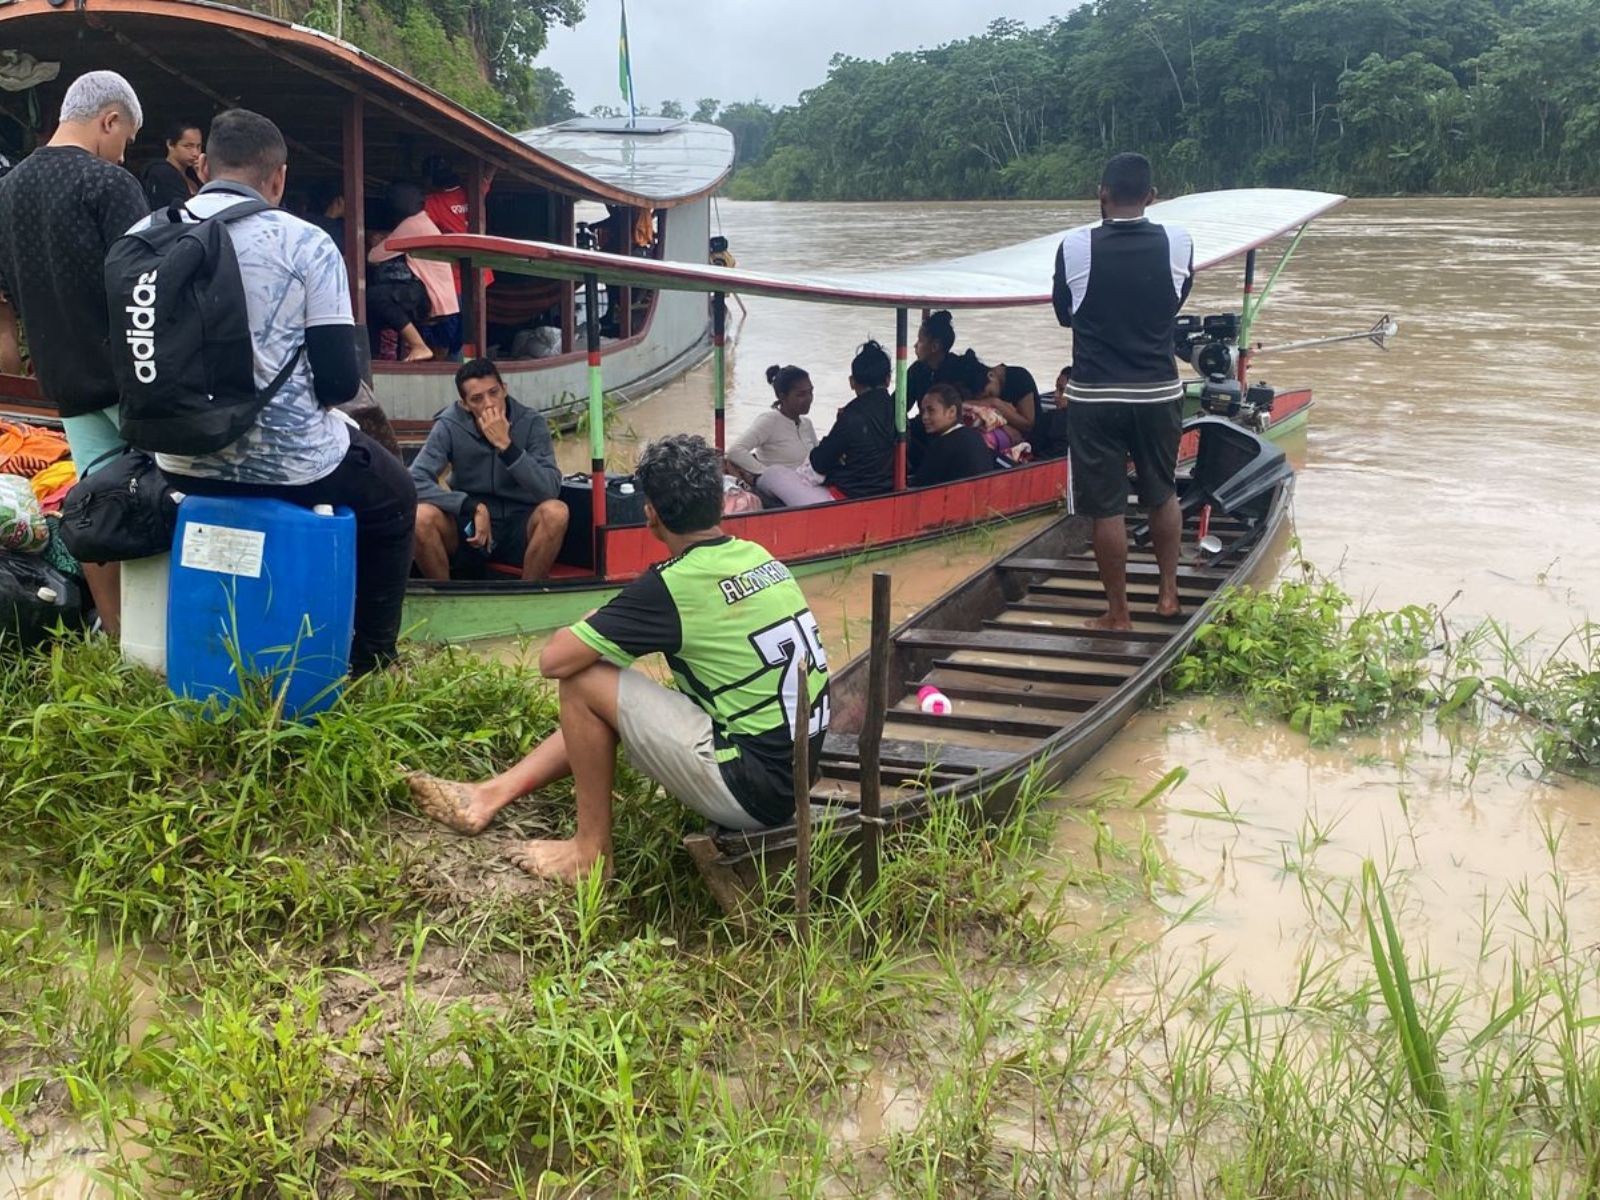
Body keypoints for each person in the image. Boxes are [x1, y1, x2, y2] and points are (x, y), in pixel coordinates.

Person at [407, 433, 831, 883]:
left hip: (753, 790)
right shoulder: (759, 556)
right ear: (719, 505)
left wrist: (597, 619)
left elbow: (554, 661)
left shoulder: (673, 584)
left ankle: (590, 851)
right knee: (609, 692)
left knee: (584, 680)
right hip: (794, 775)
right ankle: (489, 794)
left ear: (650, 515)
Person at [141, 108, 417, 675]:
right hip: (292, 464)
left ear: (204, 167)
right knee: (395, 497)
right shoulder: (307, 243)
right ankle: (372, 660)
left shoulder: (148, 234)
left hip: (178, 460)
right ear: (279, 178)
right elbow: (338, 383)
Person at [0, 70, 150, 637]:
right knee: (157, 501)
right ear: (109, 120)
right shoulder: (110, 184)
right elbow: (143, 288)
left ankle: (117, 634)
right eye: (125, 139)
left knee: (95, 507)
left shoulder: (8, 190)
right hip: (129, 378)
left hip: (64, 379)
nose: (123, 154)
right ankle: (159, 633)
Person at [1052, 151, 1194, 631]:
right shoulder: (1178, 242)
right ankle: (1168, 594)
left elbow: (1065, 314)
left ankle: (1118, 612)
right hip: (1157, 392)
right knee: (1162, 492)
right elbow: (1174, 301)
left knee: (1106, 508)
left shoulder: (1076, 246)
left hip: (1095, 397)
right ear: (1151, 196)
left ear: (1102, 194)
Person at [410, 358, 570, 581]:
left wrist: (507, 446)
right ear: (465, 404)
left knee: (556, 512)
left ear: (504, 389)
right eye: (477, 399)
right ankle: (445, 594)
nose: (489, 404)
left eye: (493, 393)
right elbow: (414, 480)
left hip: (520, 522)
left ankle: (528, 593)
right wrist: (469, 506)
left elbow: (549, 489)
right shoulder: (449, 425)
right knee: (420, 517)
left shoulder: (532, 422)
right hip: (470, 524)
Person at [756, 340, 896, 507]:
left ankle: (754, 485)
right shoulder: (898, 411)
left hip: (844, 500)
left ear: (852, 382)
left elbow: (819, 465)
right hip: (886, 494)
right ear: (888, 379)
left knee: (773, 474)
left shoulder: (851, 415)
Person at [368, 182, 460, 362]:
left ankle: (418, 345)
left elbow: (373, 257)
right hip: (444, 302)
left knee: (374, 297)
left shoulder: (411, 225)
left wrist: (375, 241)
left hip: (431, 297)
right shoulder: (422, 221)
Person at [725, 364, 818, 481]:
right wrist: (768, 474)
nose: (809, 398)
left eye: (810, 392)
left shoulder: (807, 424)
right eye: (801, 394)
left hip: (810, 482)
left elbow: (819, 458)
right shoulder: (769, 421)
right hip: (781, 487)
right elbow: (735, 451)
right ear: (782, 396)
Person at [421, 154, 493, 294]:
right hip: (481, 269)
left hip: (457, 275)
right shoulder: (472, 190)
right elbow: (487, 176)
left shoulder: (431, 203)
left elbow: (419, 230)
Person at [910, 383, 995, 487]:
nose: (924, 417)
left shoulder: (942, 445)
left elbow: (921, 484)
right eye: (923, 411)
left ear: (951, 411)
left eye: (931, 410)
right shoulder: (974, 436)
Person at [970, 363, 1039, 452]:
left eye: (990, 394)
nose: (987, 400)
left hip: (1033, 439)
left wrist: (996, 403)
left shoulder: (1019, 377)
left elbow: (1028, 425)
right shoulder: (988, 386)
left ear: (991, 376)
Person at [140, 119, 202, 210]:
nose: (195, 153)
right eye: (188, 146)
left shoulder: (194, 175)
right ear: (170, 144)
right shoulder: (161, 173)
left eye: (198, 146)